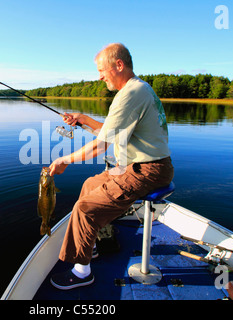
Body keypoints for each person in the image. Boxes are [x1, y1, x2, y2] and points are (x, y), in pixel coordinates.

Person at [48, 43, 174, 290]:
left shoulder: (129, 94)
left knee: (84, 208)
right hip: (136, 166)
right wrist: (83, 120)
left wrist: (63, 160)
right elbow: (111, 132)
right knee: (90, 184)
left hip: (146, 170)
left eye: (101, 70)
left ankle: (82, 273)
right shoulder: (139, 89)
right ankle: (90, 246)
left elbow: (100, 146)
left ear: (119, 65)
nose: (100, 76)